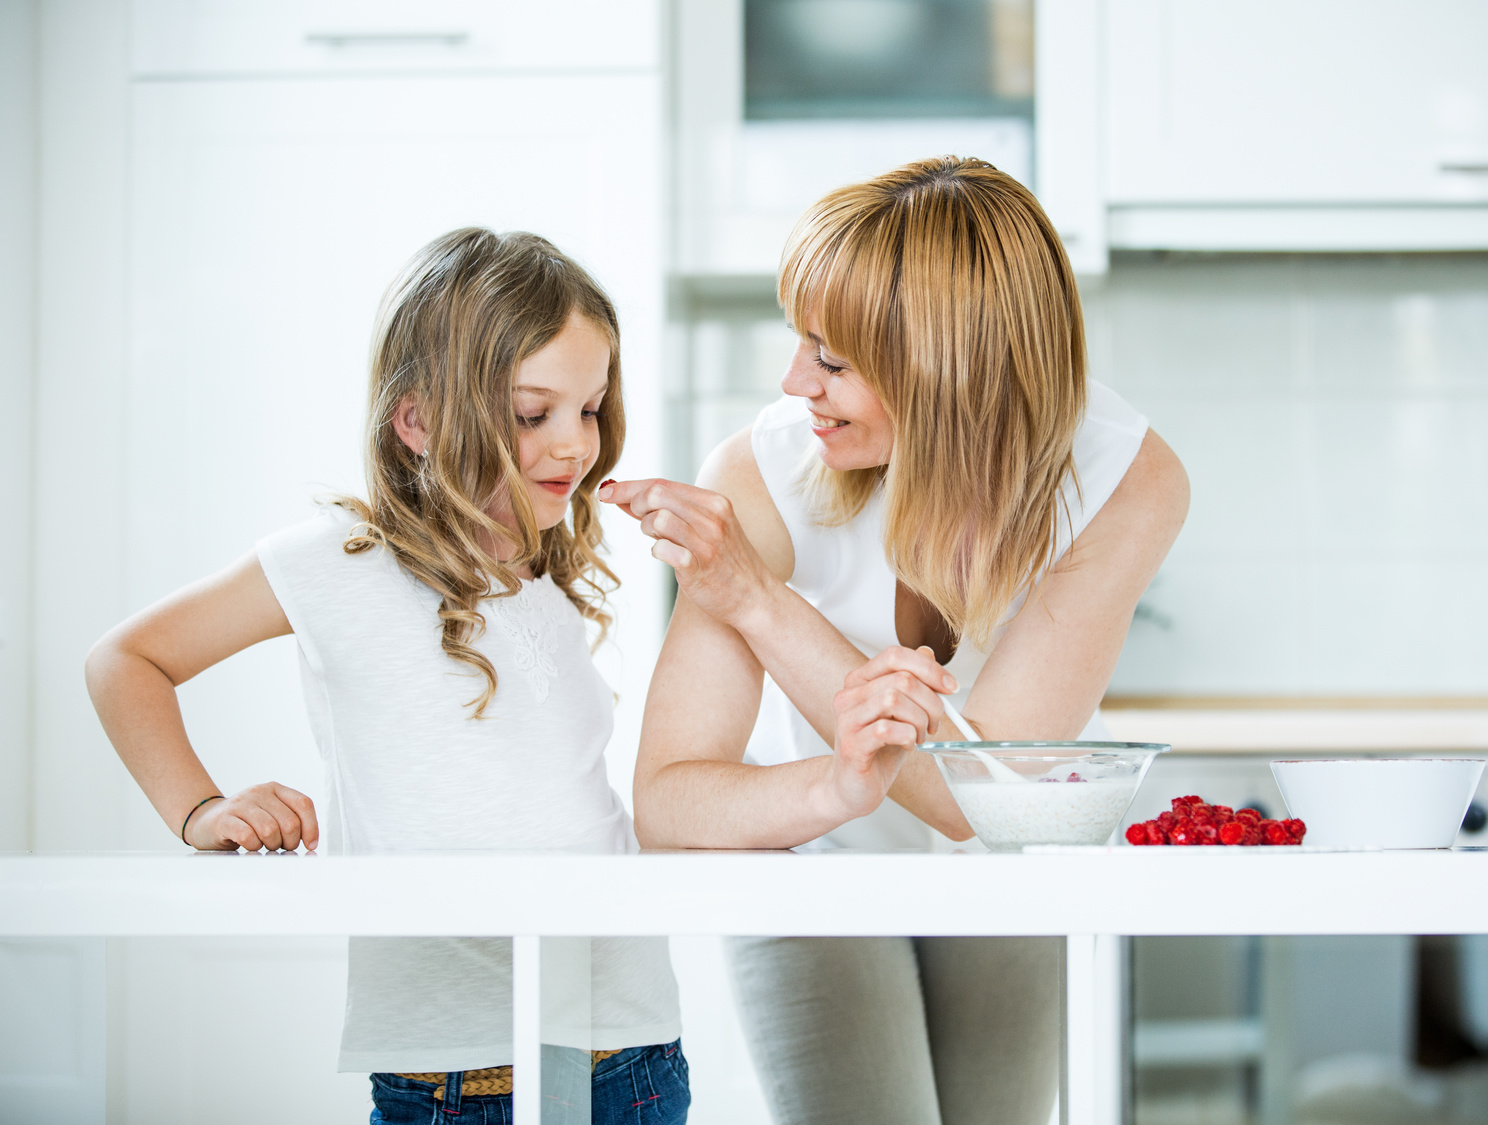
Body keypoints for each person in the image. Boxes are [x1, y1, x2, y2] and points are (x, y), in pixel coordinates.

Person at [599, 156, 1189, 1125]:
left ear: (943, 366)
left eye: (830, 360)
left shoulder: (1123, 482)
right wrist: (829, 790)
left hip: (1008, 868)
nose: (795, 385)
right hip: (811, 868)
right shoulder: (762, 477)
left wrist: (757, 600)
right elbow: (667, 804)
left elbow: (983, 796)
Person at [85, 228, 689, 1125]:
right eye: (533, 414)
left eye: (591, 409)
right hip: (456, 1071)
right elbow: (125, 660)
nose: (575, 446)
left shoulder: (552, 574)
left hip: (629, 1049)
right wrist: (201, 810)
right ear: (418, 421)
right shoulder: (341, 561)